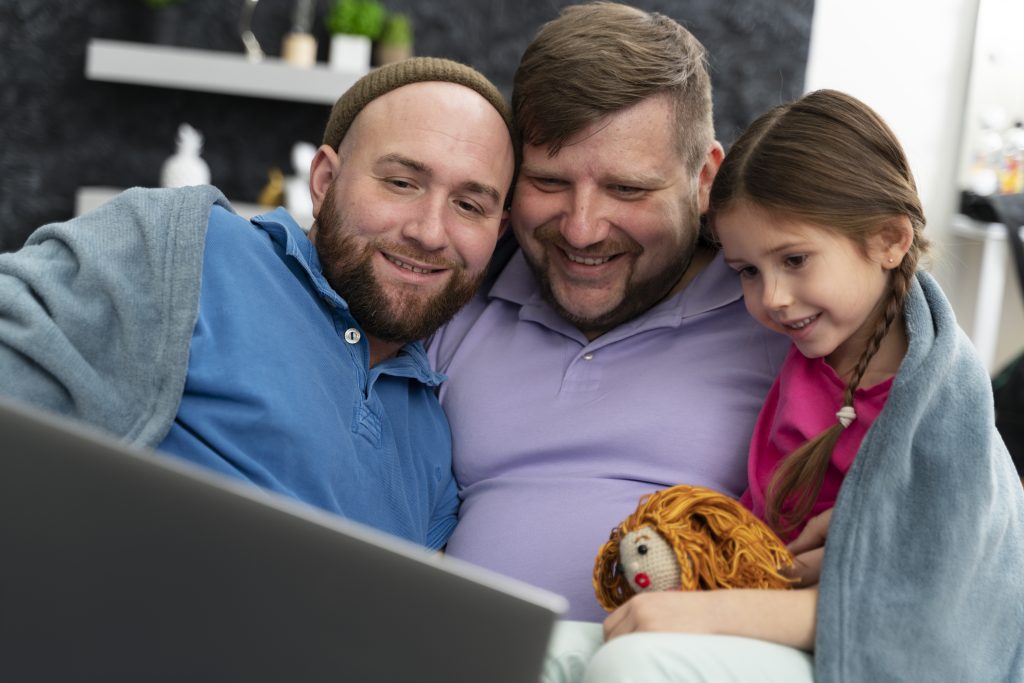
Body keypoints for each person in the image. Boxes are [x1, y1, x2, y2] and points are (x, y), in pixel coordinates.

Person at [542, 89, 1024, 683]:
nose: (771, 298)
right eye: (748, 271)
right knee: (546, 650)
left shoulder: (935, 407)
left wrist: (710, 612)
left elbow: (923, 606)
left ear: (890, 239)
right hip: (775, 612)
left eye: (794, 260)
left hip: (851, 648)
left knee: (636, 663)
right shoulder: (809, 363)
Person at [0, 57, 516, 551]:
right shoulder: (183, 244)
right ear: (324, 182)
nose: (429, 232)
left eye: (469, 206)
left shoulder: (430, 438)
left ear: (499, 232)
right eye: (401, 183)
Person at [427, 1, 789, 622]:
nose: (582, 229)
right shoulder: (457, 302)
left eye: (627, 189)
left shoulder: (782, 323)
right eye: (549, 182)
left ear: (704, 180)